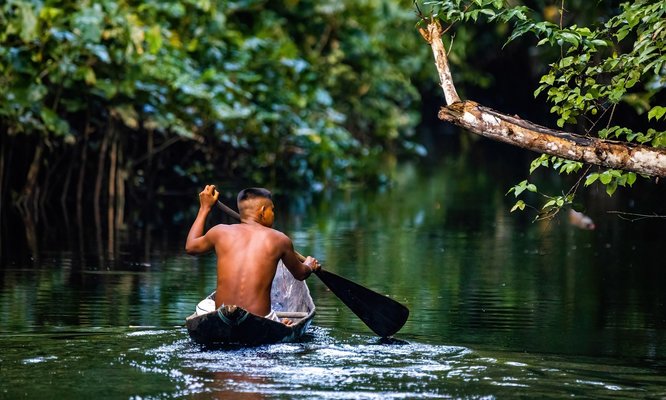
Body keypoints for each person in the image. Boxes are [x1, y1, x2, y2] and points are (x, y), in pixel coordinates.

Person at [185, 184, 320, 324]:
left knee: (205, 306)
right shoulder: (280, 239)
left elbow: (190, 247)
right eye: (272, 210)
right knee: (278, 321)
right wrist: (309, 265)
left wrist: (204, 208)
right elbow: (300, 274)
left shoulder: (220, 232)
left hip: (223, 317)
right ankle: (279, 323)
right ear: (262, 211)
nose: (273, 215)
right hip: (261, 321)